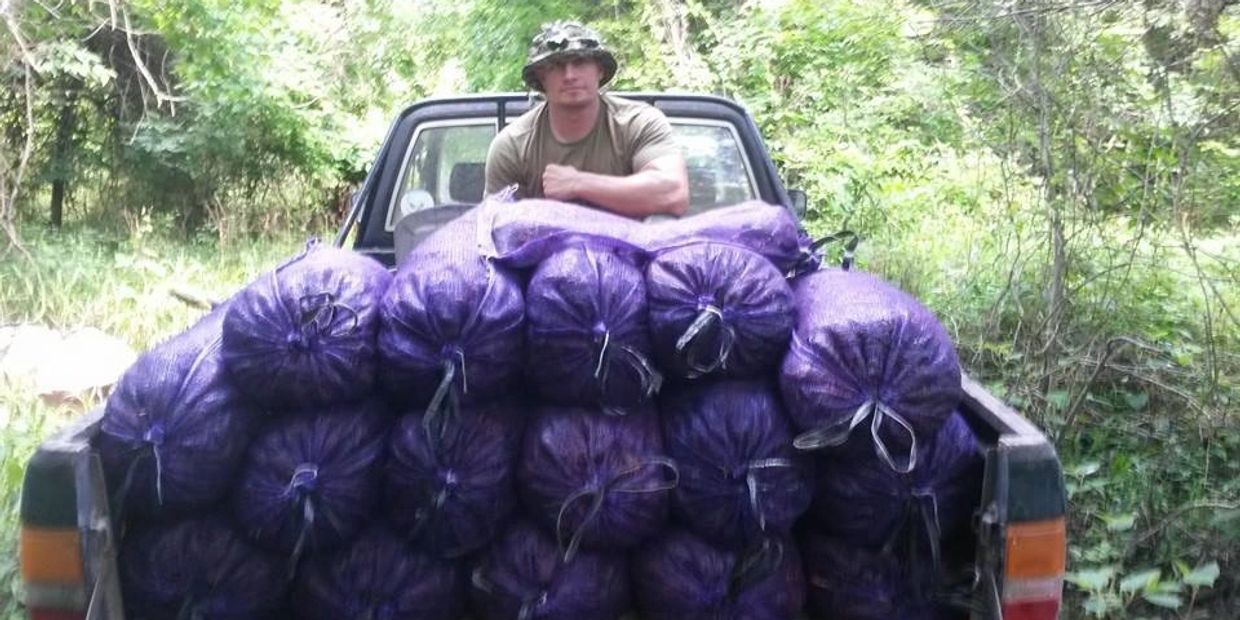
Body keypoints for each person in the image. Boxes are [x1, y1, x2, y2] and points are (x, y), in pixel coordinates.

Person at [484, 21, 690, 218]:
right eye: (557, 66)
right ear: (541, 77)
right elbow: (494, 226)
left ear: (600, 70)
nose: (570, 75)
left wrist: (578, 183)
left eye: (580, 62)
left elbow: (673, 193)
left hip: (631, 242)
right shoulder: (512, 146)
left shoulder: (639, 124)